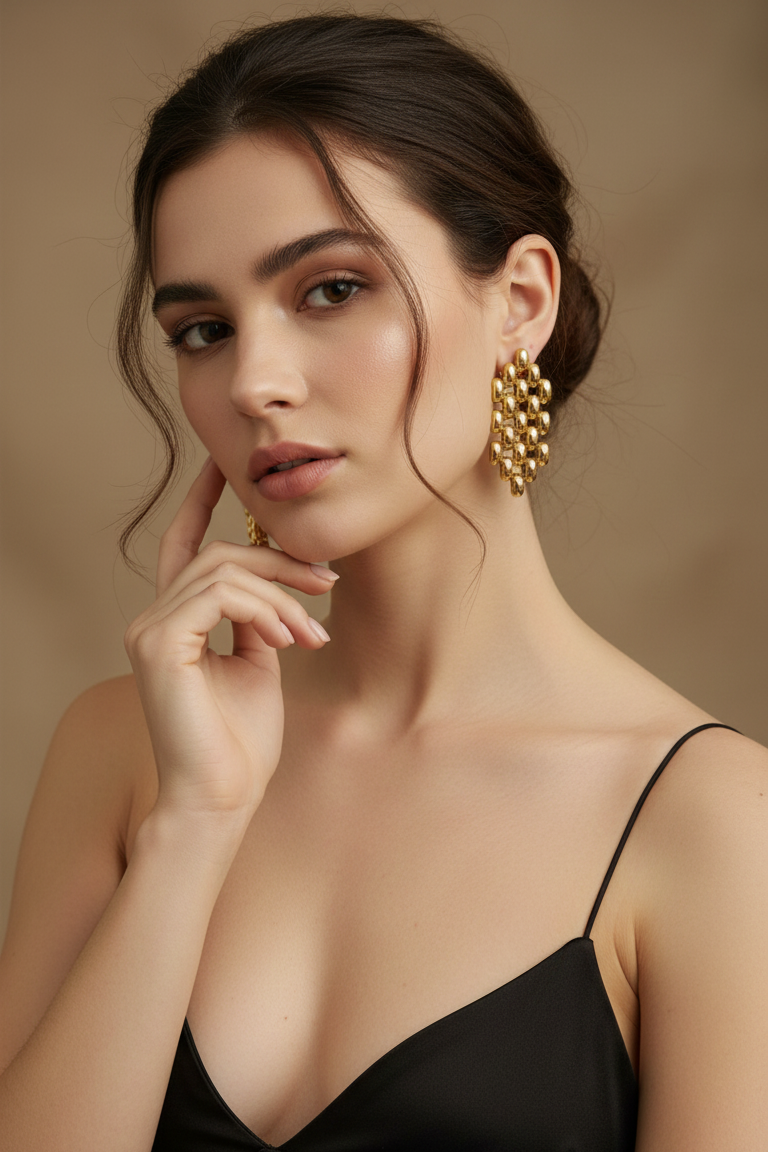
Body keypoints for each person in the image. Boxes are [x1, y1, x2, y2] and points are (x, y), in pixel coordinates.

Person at [0, 12, 765, 1150]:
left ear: (521, 303)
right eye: (203, 329)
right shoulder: (125, 754)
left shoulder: (716, 825)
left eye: (330, 290)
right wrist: (192, 829)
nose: (253, 382)